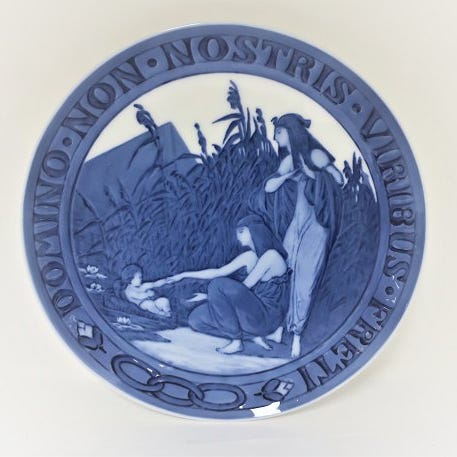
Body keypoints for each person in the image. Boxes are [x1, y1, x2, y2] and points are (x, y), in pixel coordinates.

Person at [264, 114, 343, 357]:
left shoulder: (315, 155)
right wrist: (288, 176)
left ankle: (297, 335)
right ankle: (279, 328)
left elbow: (338, 179)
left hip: (317, 225)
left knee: (306, 281)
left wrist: (311, 173)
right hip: (297, 225)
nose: (275, 137)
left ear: (291, 131)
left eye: (279, 132)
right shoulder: (289, 161)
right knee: (285, 273)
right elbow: (269, 186)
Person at [163, 215, 291, 354]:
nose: (238, 236)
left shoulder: (271, 256)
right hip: (251, 313)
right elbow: (218, 272)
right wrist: (184, 275)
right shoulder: (251, 256)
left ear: (254, 231)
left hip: (266, 317)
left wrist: (209, 296)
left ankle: (237, 342)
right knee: (196, 319)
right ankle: (254, 337)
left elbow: (244, 287)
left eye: (241, 231)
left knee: (217, 285)